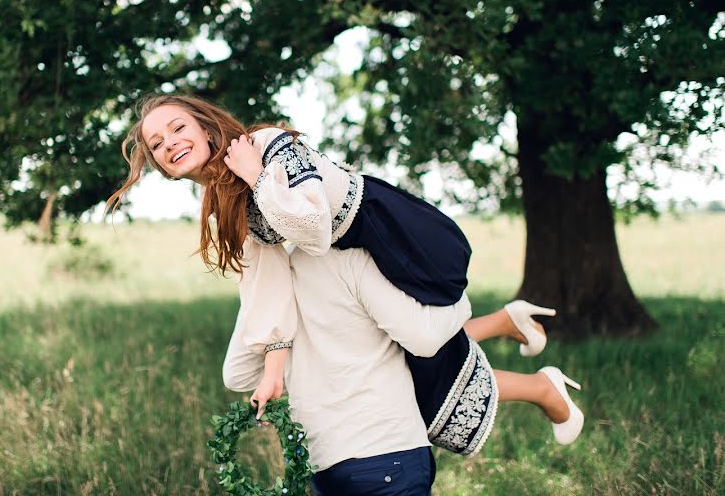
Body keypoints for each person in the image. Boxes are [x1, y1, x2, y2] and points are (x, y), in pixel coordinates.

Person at [105, 94, 583, 448]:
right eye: (157, 143)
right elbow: (266, 275)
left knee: (420, 344)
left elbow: (310, 228)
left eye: (176, 128)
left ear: (205, 127)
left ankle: (482, 323)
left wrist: (256, 175)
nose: (169, 143)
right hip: (341, 260)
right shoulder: (224, 198)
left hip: (395, 238)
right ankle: (506, 324)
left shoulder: (266, 146)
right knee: (240, 370)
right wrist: (273, 360)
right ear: (162, 167)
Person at [223, 245, 584, 495]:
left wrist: (260, 290)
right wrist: (260, 287)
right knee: (395, 353)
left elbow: (421, 340)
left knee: (405, 352)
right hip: (338, 461)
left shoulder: (339, 256)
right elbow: (238, 375)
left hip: (374, 458)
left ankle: (529, 368)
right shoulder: (277, 283)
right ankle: (511, 334)